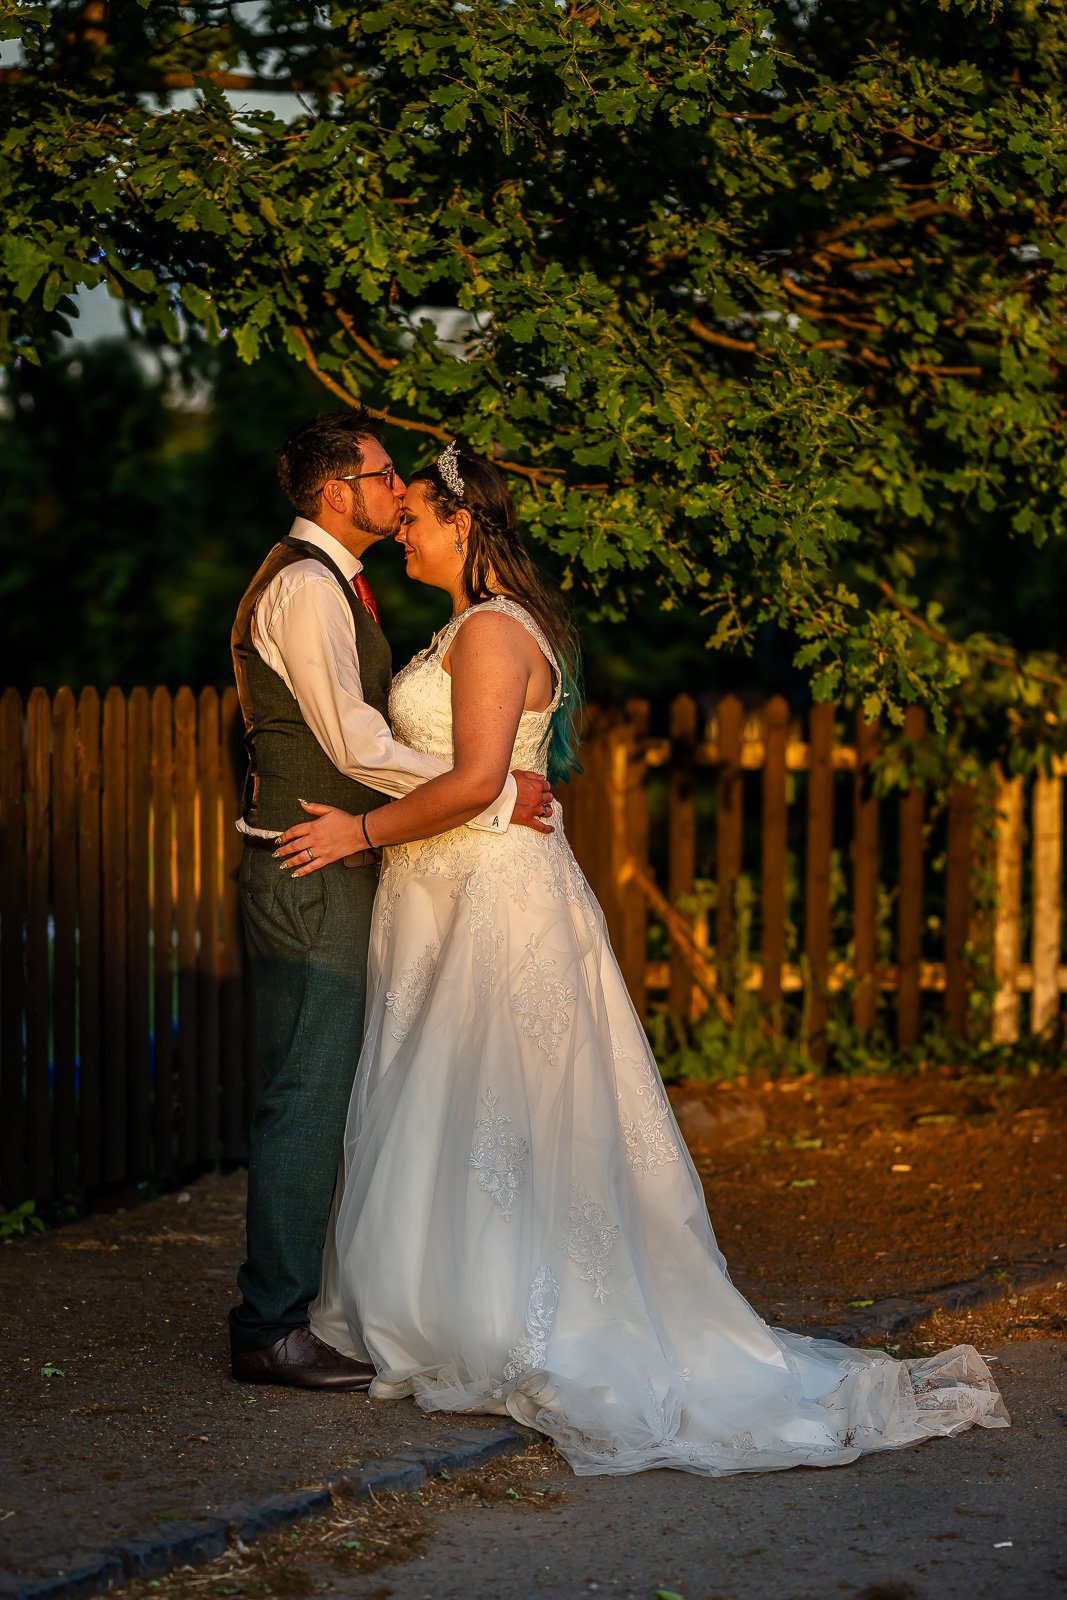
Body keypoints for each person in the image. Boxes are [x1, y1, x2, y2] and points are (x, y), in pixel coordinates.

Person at [274, 445, 1008, 1473]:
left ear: (465, 526)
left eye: (418, 519)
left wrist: (357, 831)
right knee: (461, 1103)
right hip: (450, 894)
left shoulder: (490, 631)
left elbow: (478, 777)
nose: (404, 529)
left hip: (488, 898)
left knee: (496, 1098)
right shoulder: (465, 628)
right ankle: (451, 1296)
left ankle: (507, 1314)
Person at [228, 412, 553, 1391]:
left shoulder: (339, 585)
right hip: (309, 863)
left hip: (341, 859)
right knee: (308, 1091)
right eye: (381, 475)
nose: (397, 489)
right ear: (339, 492)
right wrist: (488, 788)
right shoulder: (301, 585)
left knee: (335, 1087)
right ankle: (270, 1325)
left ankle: (305, 1307)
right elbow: (355, 745)